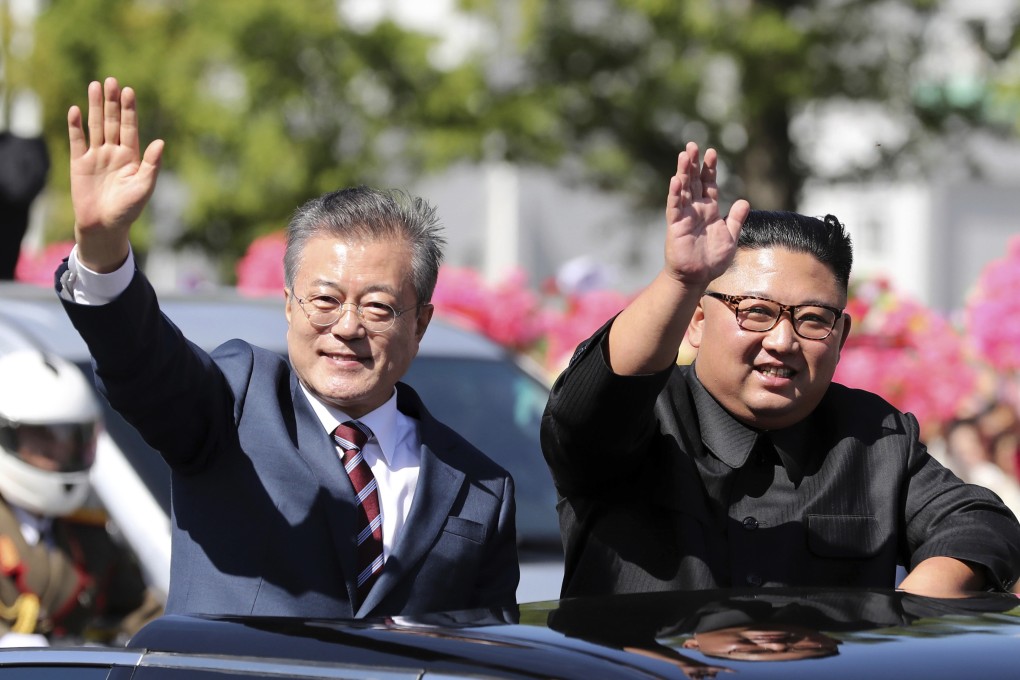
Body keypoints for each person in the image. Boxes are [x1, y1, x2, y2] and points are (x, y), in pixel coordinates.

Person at [55, 77, 519, 619]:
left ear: (419, 324)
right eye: (324, 300)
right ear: (289, 305)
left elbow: (493, 655)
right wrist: (104, 248)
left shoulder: (481, 486)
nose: (347, 326)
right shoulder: (233, 402)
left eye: (377, 307)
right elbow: (142, 362)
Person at [541, 141, 1020, 599]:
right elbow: (588, 408)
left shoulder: (874, 437)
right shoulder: (642, 423)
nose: (783, 341)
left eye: (813, 319)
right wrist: (681, 281)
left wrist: (911, 609)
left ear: (841, 338)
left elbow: (979, 523)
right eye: (756, 312)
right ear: (698, 322)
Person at [0, 350, 162, 646]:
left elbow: (142, 612)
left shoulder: (87, 531)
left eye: (72, 438)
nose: (61, 451)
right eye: (43, 437)